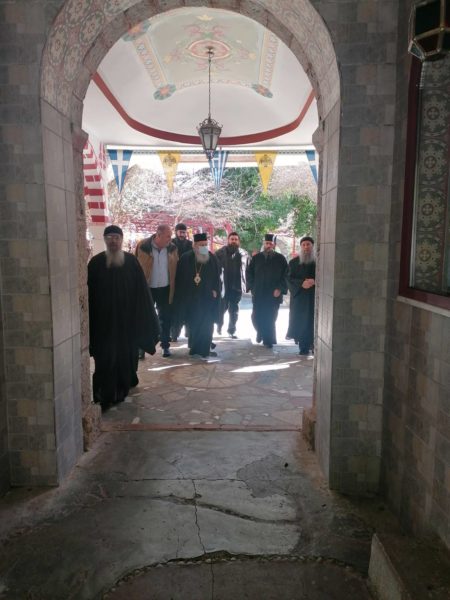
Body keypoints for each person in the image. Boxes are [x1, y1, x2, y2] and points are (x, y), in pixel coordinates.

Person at [88, 225, 160, 411]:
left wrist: (144, 318)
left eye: (116, 237)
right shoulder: (95, 263)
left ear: (121, 240)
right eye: (109, 237)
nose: (113, 241)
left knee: (124, 357)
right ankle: (103, 395)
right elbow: (88, 294)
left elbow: (142, 292)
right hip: (103, 323)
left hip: (127, 323)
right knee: (104, 358)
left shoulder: (131, 262)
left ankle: (121, 389)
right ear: (105, 240)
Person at [135, 224, 179, 358]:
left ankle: (165, 346)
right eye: (167, 236)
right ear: (158, 235)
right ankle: (142, 348)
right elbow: (135, 265)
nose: (170, 239)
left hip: (166, 289)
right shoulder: (143, 246)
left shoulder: (172, 248)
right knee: (144, 318)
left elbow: (176, 267)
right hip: (147, 289)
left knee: (165, 318)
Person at [174, 232, 220, 358]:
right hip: (191, 298)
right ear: (194, 245)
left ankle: (204, 349)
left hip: (207, 298)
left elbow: (217, 277)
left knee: (207, 325)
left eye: (205, 244)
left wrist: (215, 290)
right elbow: (180, 278)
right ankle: (194, 348)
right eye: (201, 245)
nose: (204, 247)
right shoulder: (185, 258)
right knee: (193, 324)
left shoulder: (212, 258)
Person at [246, 233, 288, 348]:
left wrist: (280, 288)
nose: (268, 245)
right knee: (256, 317)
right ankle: (260, 331)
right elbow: (249, 273)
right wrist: (252, 287)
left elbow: (286, 275)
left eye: (270, 243)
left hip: (274, 294)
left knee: (270, 317)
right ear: (264, 244)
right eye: (266, 243)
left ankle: (268, 340)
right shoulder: (256, 258)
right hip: (259, 293)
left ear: (274, 245)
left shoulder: (281, 259)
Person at [215, 232, 249, 338]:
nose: (234, 241)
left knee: (234, 311)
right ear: (228, 240)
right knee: (222, 308)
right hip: (223, 286)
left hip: (237, 286)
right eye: (232, 239)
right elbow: (214, 269)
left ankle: (232, 330)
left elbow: (249, 270)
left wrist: (248, 285)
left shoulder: (244, 254)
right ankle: (219, 325)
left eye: (235, 239)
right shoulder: (219, 253)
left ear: (238, 241)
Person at [286, 236, 316, 355]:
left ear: (312, 246)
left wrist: (315, 281)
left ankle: (313, 345)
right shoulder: (293, 262)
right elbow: (288, 279)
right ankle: (303, 346)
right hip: (300, 298)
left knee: (313, 321)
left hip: (314, 297)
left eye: (308, 244)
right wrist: (301, 283)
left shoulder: (319, 262)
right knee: (301, 321)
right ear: (301, 247)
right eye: (303, 245)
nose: (306, 247)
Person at [170, 223, 193, 341]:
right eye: (180, 232)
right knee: (175, 309)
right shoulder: (170, 244)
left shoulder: (191, 245)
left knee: (189, 308)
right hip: (174, 280)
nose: (182, 234)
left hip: (188, 280)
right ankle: (174, 334)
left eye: (184, 232)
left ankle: (189, 332)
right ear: (176, 232)